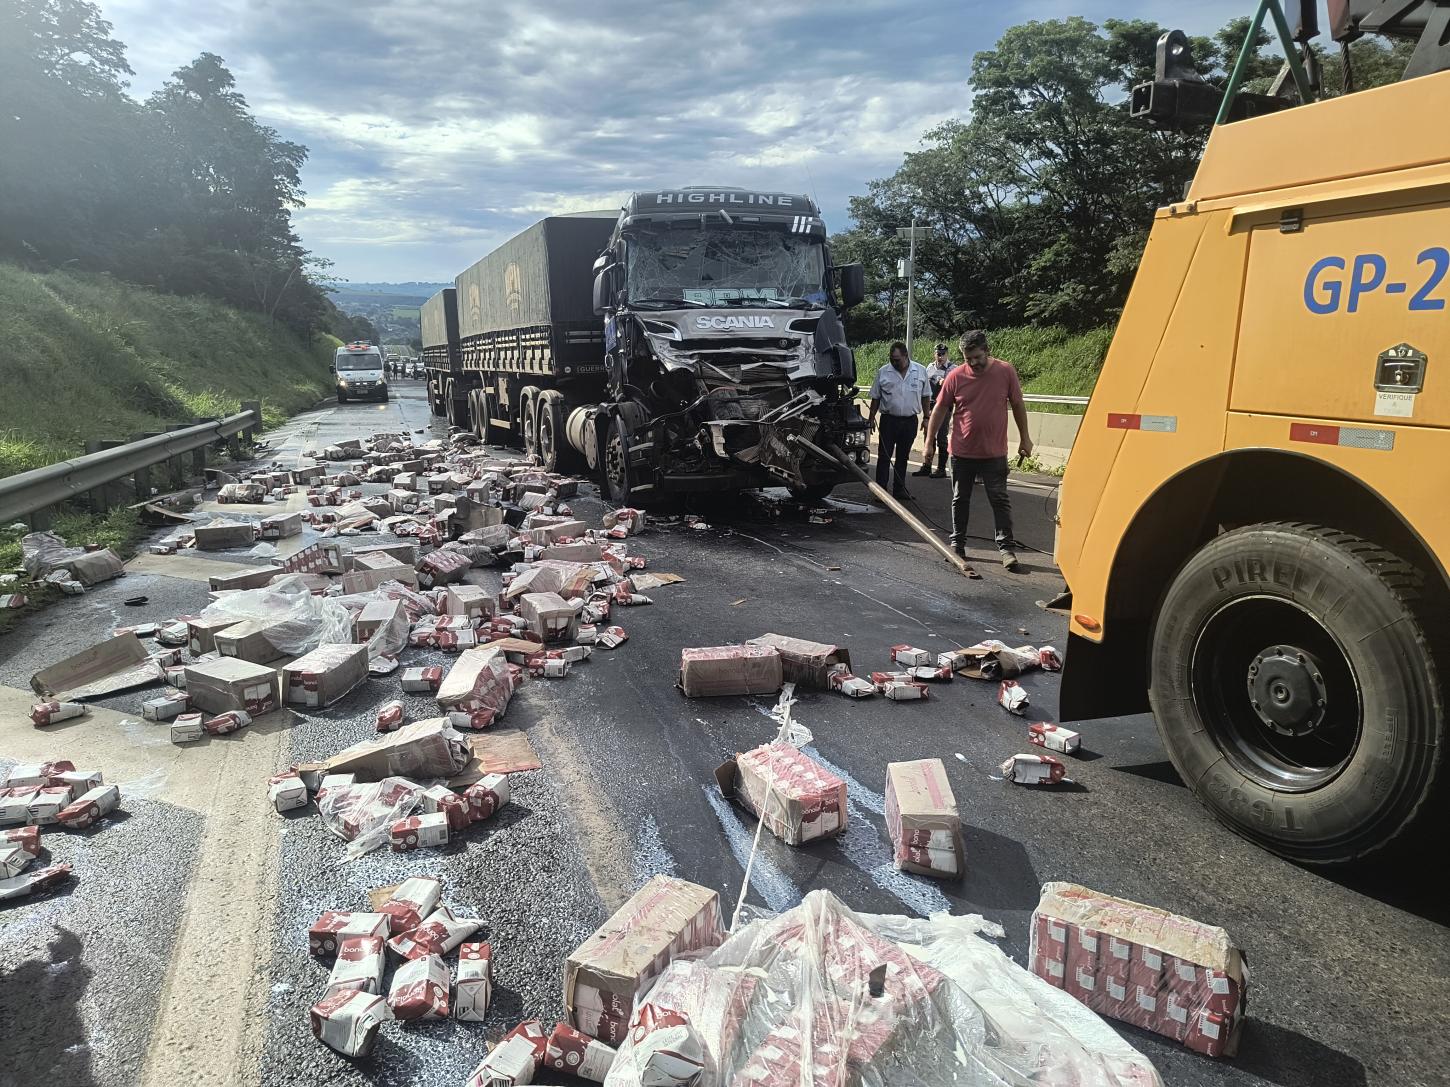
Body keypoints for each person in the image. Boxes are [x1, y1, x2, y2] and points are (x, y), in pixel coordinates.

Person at [923, 330, 1033, 570]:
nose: (972, 363)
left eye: (976, 357)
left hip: (994, 452)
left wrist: (1025, 438)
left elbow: (1017, 404)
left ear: (987, 350)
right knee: (960, 499)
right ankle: (958, 544)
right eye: (967, 358)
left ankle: (1006, 548)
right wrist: (929, 441)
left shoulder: (1005, 371)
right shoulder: (956, 376)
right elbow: (940, 408)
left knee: (999, 500)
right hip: (962, 452)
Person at [867, 341, 931, 499]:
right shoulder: (884, 372)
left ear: (905, 356)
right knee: (884, 456)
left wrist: (927, 417)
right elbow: (875, 397)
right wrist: (870, 418)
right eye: (892, 359)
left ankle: (900, 489)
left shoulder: (920, 371)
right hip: (889, 420)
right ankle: (881, 491)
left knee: (903, 456)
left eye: (897, 360)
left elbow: (926, 396)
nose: (894, 362)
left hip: (910, 421)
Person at [914, 343, 953, 478]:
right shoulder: (929, 367)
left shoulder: (952, 368)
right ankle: (927, 466)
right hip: (930, 405)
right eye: (938, 354)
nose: (940, 357)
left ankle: (941, 469)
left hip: (943, 406)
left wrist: (944, 382)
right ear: (934, 354)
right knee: (928, 437)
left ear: (947, 354)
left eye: (943, 354)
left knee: (942, 437)